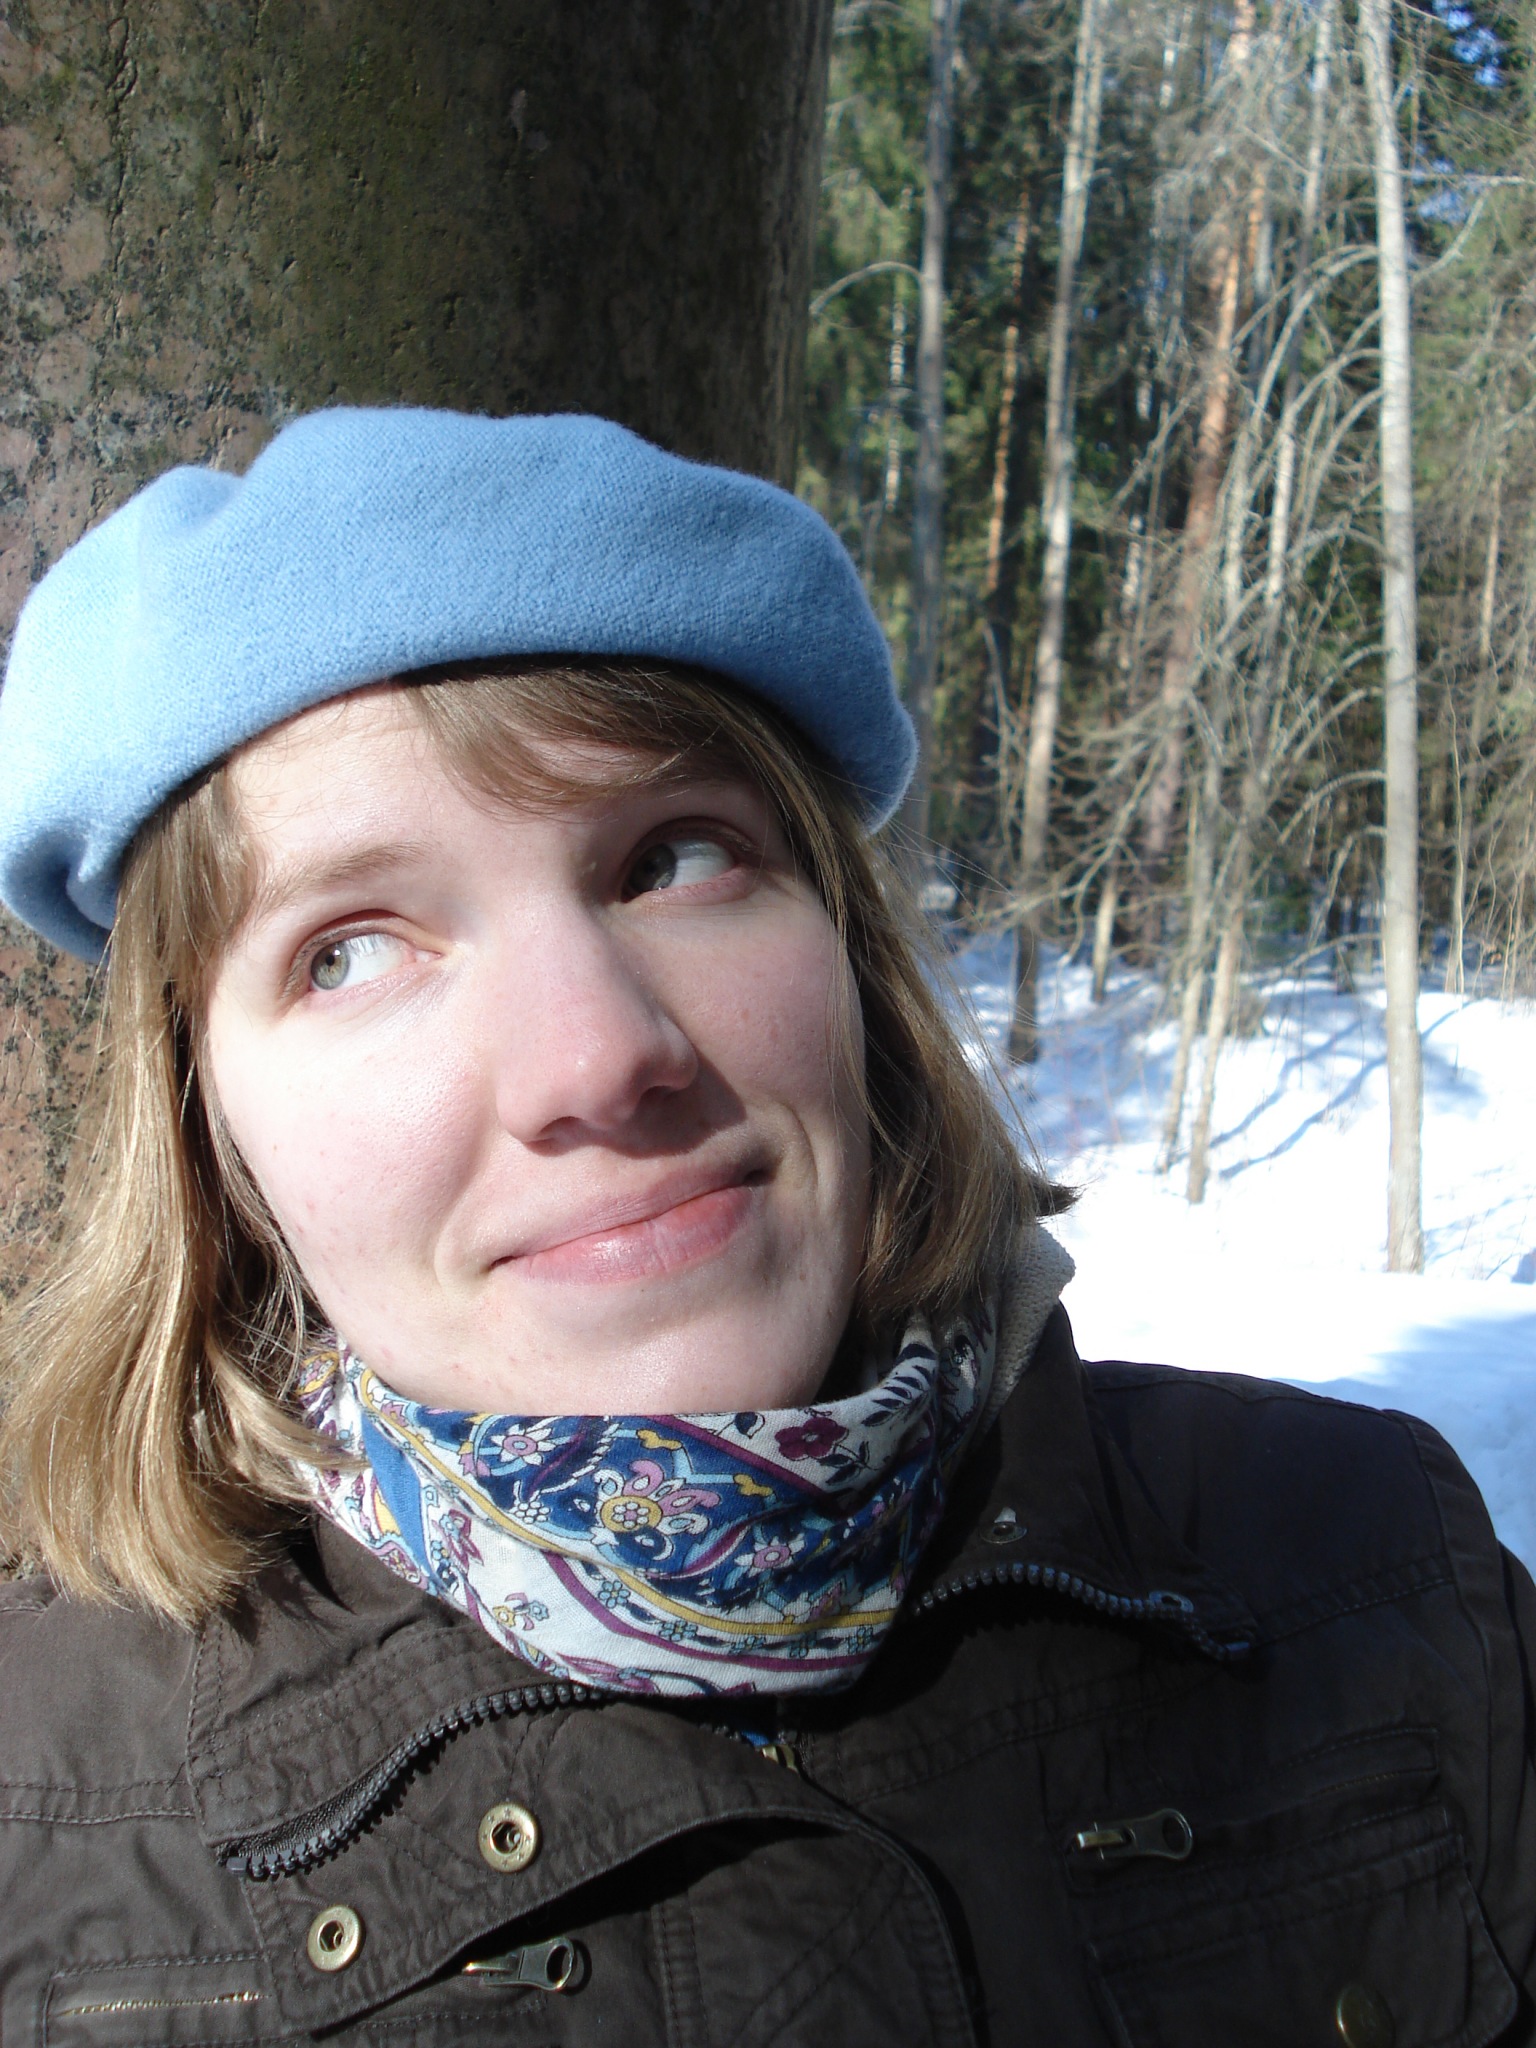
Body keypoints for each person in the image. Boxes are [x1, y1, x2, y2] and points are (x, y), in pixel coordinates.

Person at [0, 407, 1531, 2048]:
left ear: (850, 953)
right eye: (351, 951)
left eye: (674, 859)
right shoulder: (37, 1802)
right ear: (207, 1129)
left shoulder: (1377, 1571)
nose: (598, 1059)